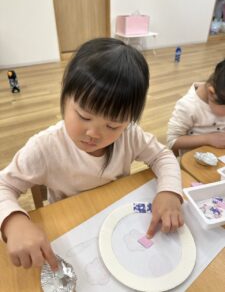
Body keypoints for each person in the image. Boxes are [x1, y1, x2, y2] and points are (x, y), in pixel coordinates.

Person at [0, 38, 183, 271]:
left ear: (128, 121)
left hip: (115, 223)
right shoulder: (45, 147)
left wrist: (169, 192)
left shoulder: (130, 136)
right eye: (84, 117)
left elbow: (163, 156)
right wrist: (13, 221)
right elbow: (4, 184)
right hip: (72, 229)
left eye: (113, 125)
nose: (93, 133)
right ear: (65, 93)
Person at [167, 59, 225, 156]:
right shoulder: (188, 106)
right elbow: (172, 141)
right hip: (194, 163)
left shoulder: (220, 97)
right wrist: (208, 139)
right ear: (211, 93)